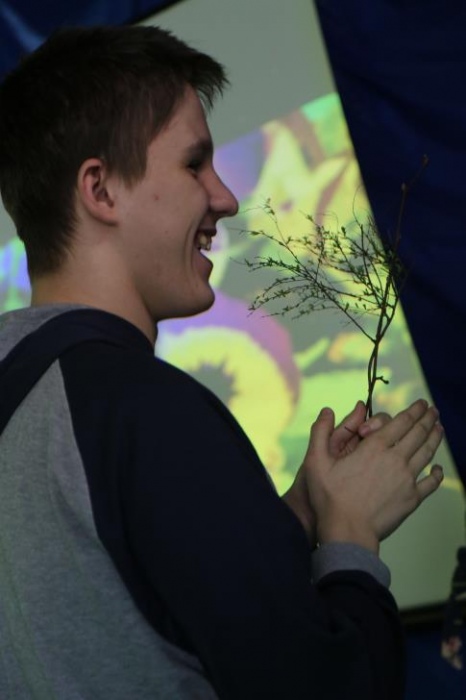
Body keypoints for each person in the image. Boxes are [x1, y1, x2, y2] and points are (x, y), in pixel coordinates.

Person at [0, 25, 444, 700]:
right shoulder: (144, 410)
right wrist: (351, 537)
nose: (225, 197)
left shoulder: (31, 400)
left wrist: (295, 516)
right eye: (193, 164)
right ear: (101, 190)